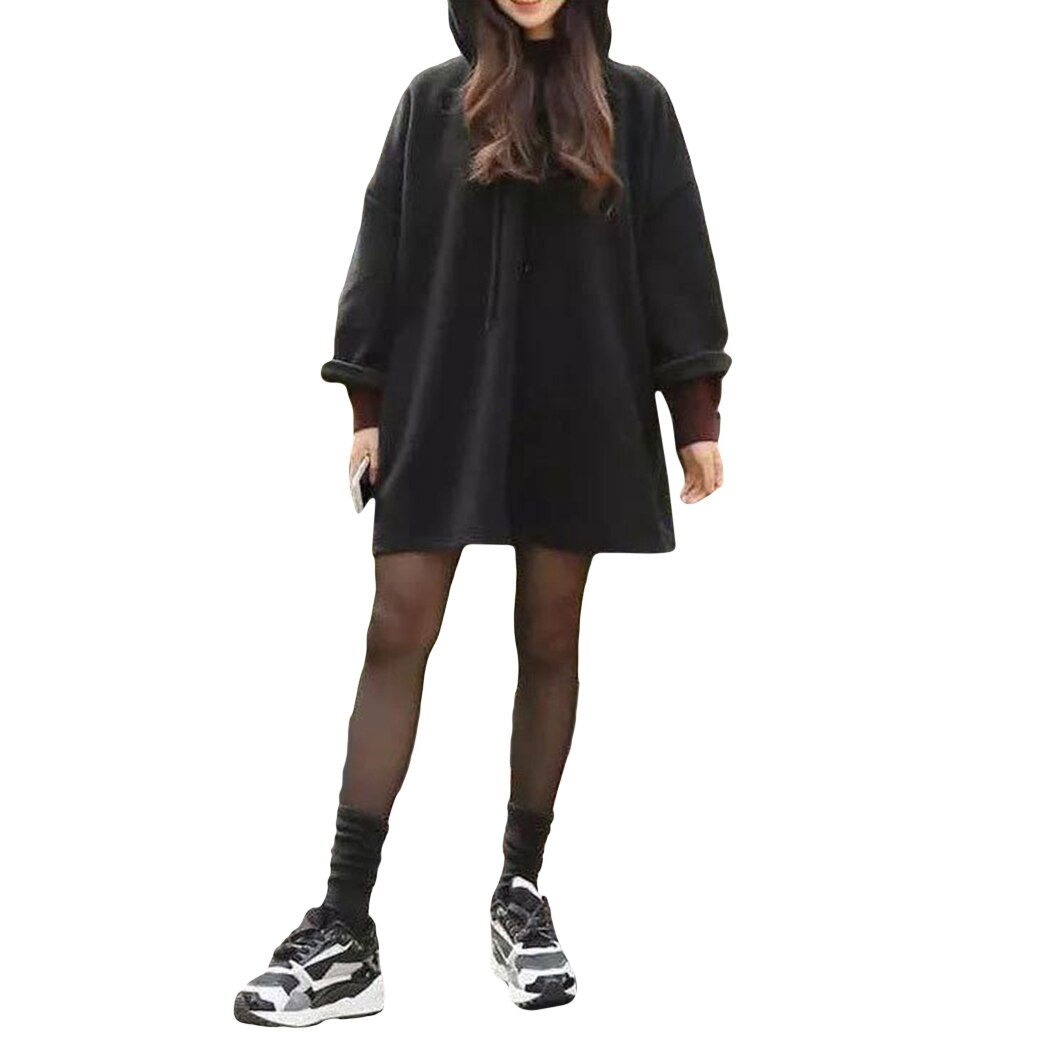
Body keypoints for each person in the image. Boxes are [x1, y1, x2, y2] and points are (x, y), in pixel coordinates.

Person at [234, 0, 730, 1025]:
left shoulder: (633, 104)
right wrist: (368, 408)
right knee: (398, 625)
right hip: (443, 397)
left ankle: (520, 891)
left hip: (580, 399)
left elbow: (674, 252)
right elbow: (383, 246)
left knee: (549, 635)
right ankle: (344, 920)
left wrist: (696, 415)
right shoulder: (432, 103)